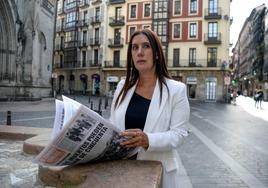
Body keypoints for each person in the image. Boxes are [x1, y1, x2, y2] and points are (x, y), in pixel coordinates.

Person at [109, 29, 190, 188]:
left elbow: (179, 134)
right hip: (121, 171)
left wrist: (148, 140)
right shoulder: (122, 87)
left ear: (157, 53)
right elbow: (113, 123)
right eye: (134, 47)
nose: (139, 52)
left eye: (145, 46)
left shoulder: (176, 90)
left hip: (156, 174)